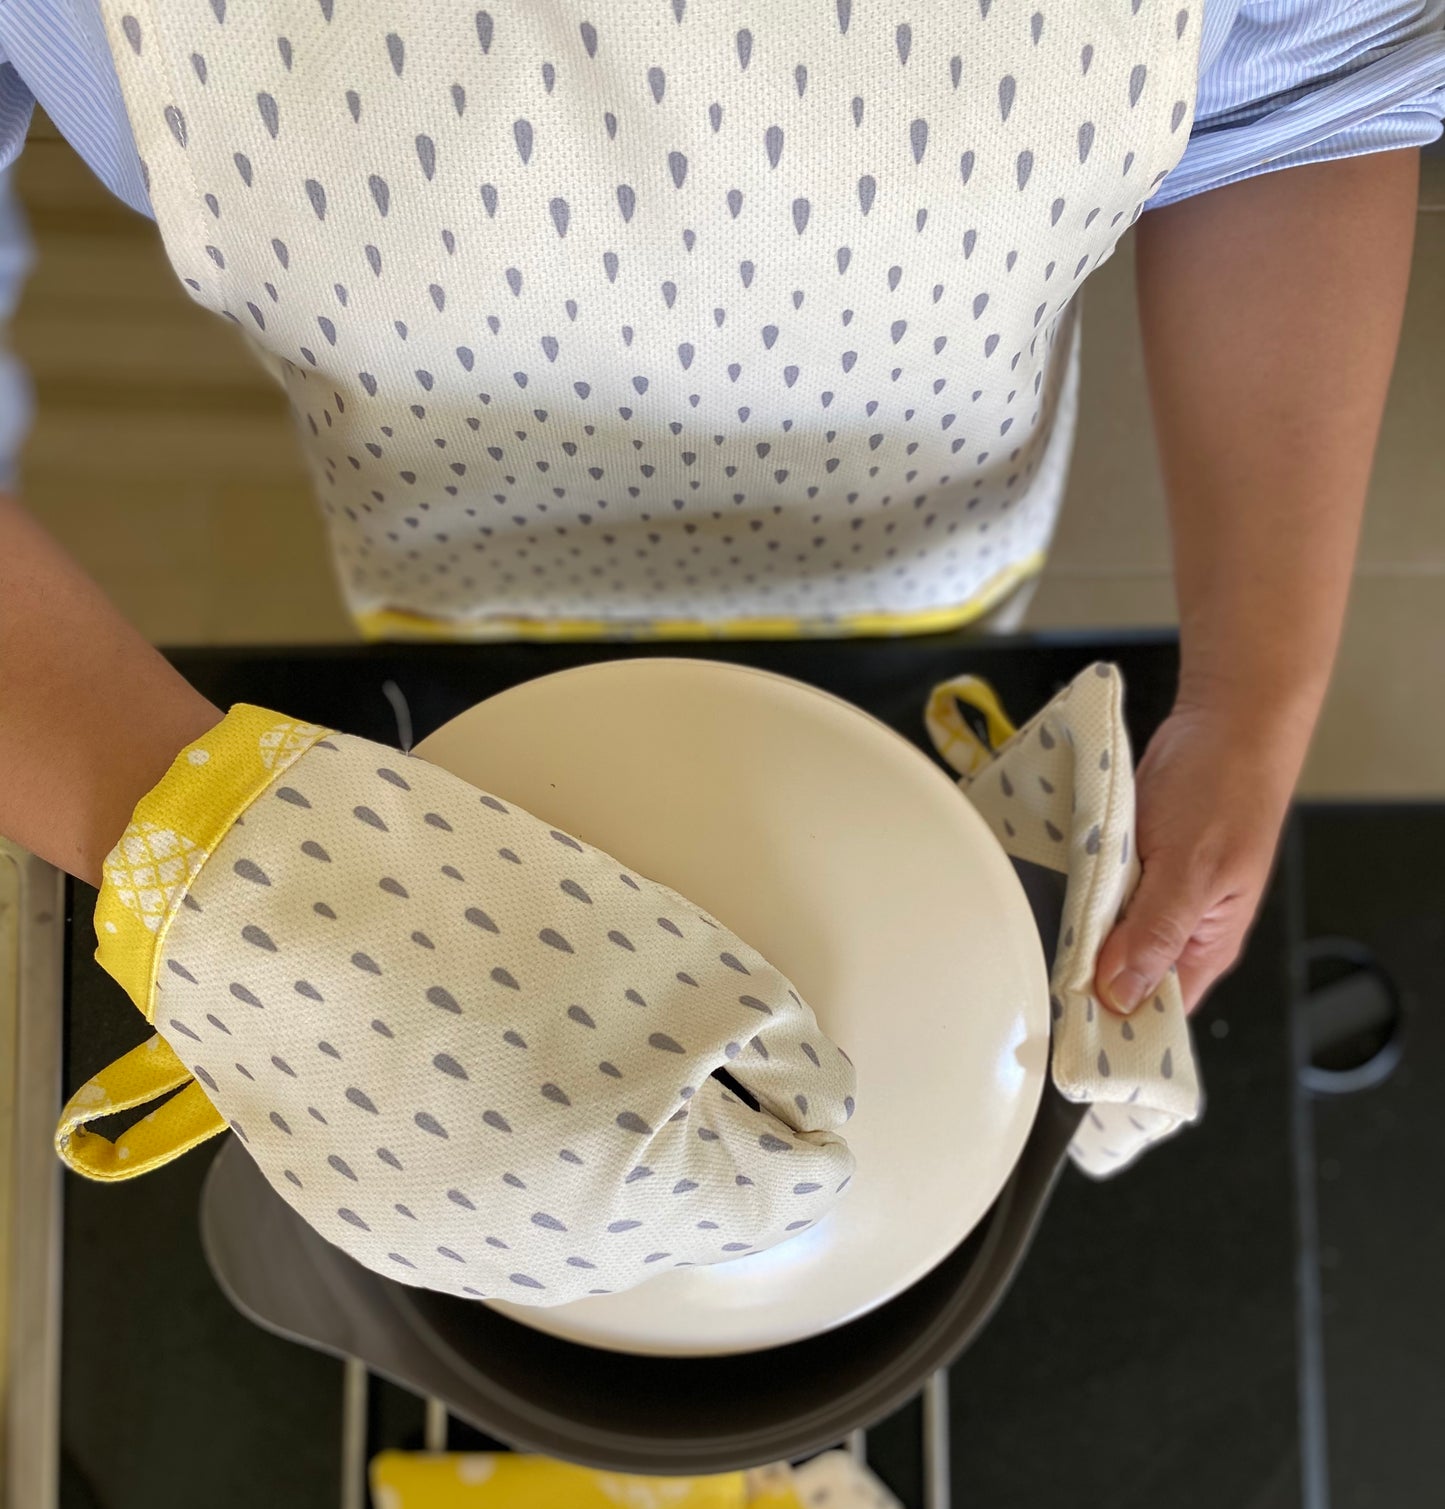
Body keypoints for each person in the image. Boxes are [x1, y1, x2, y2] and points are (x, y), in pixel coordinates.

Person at [0, 0, 1442, 1020]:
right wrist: (215, 870)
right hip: (457, 555)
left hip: (927, 537)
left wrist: (1249, 697)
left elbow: (1298, 105)